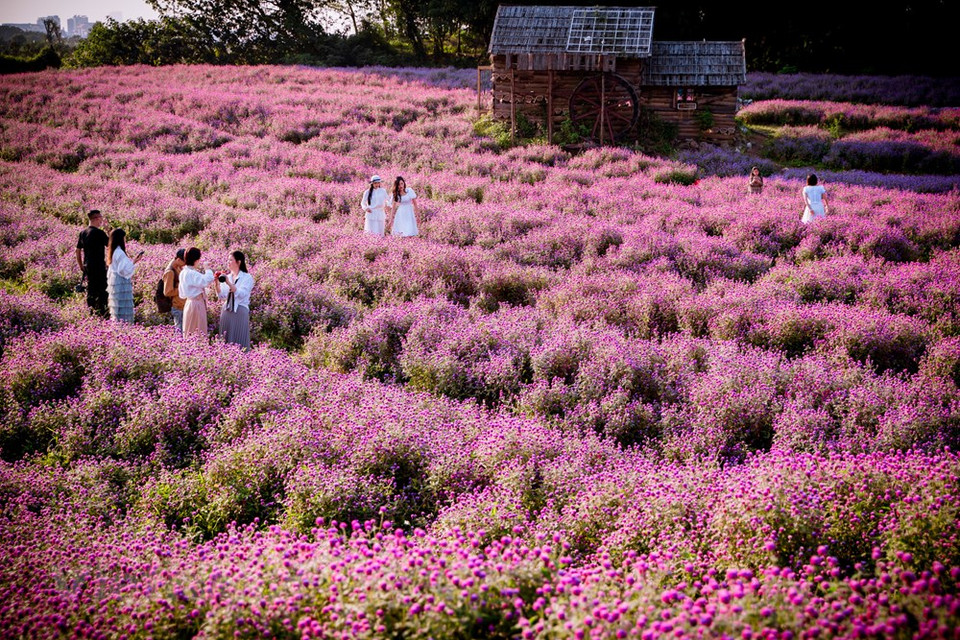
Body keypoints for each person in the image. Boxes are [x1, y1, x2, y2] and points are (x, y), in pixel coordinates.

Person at [215, 250, 254, 351]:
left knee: (239, 338)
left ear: (239, 262)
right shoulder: (227, 277)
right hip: (227, 311)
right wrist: (217, 284)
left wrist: (229, 283)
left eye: (231, 260)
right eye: (228, 260)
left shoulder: (247, 277)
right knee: (225, 338)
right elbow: (222, 295)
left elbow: (241, 294)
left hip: (240, 310)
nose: (228, 262)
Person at [76, 209, 109, 317]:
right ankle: (103, 312)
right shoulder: (100, 233)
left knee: (91, 289)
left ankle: (91, 312)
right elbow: (111, 244)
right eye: (100, 217)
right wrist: (108, 230)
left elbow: (78, 250)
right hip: (99, 265)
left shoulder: (83, 233)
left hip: (88, 266)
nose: (102, 220)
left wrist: (81, 265)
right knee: (103, 289)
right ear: (96, 218)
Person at [178, 246, 215, 338]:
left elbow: (184, 292)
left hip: (189, 303)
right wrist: (207, 269)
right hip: (196, 304)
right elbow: (207, 280)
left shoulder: (184, 272)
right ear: (196, 260)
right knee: (197, 330)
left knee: (189, 329)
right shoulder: (192, 273)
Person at [106, 228, 141, 323]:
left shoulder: (112, 251)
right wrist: (133, 263)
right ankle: (124, 326)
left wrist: (133, 261)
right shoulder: (120, 252)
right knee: (123, 306)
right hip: (121, 282)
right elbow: (123, 270)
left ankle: (117, 325)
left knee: (116, 306)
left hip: (115, 282)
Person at [162, 248, 187, 332]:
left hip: (183, 305)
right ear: (179, 259)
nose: (185, 264)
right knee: (179, 331)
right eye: (185, 262)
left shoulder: (178, 268)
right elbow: (167, 292)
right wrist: (182, 288)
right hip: (177, 307)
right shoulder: (170, 272)